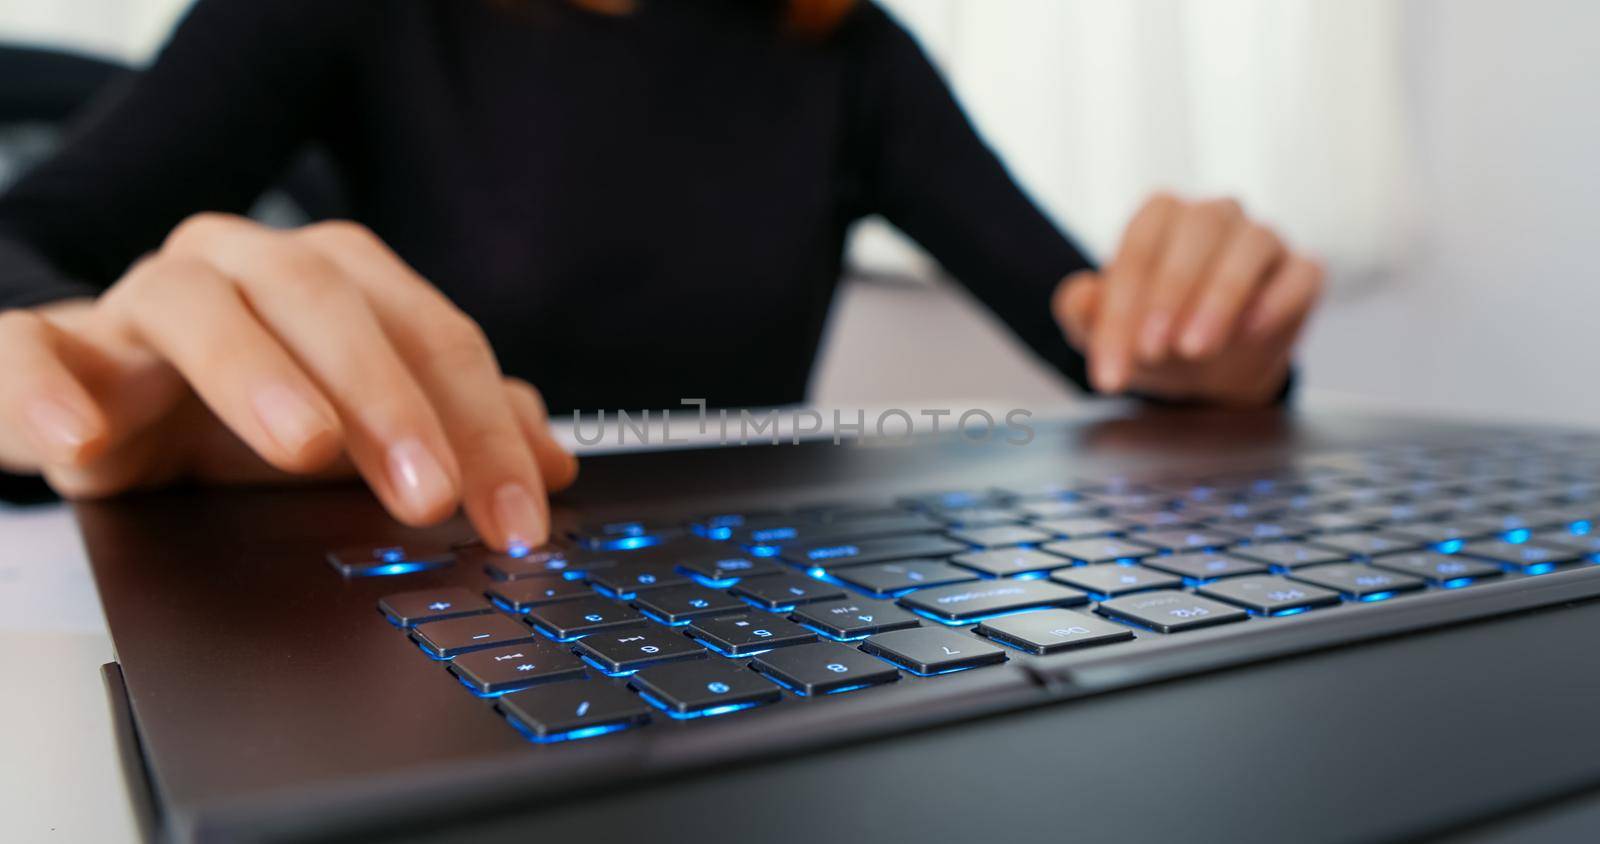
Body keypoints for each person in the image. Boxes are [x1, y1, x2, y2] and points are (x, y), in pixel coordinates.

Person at [0, 0, 1323, 552]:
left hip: (778, 630)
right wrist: (68, 360)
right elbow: (32, 247)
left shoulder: (842, 50)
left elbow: (1103, 331)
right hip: (420, 594)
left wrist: (1213, 343)